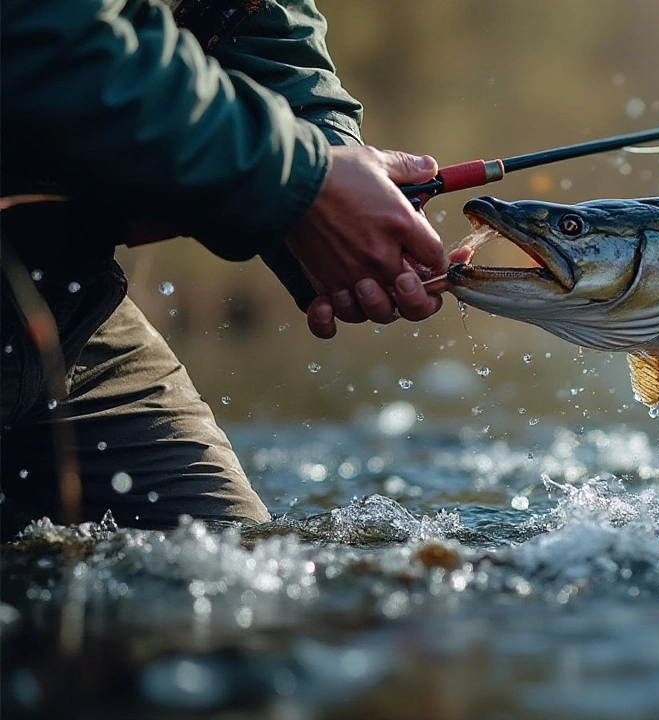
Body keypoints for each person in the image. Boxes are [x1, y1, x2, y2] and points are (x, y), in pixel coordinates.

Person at [0, 0, 448, 537]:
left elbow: (260, 23)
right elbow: (51, 40)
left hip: (68, 300)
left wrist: (330, 168)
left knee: (232, 567)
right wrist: (302, 182)